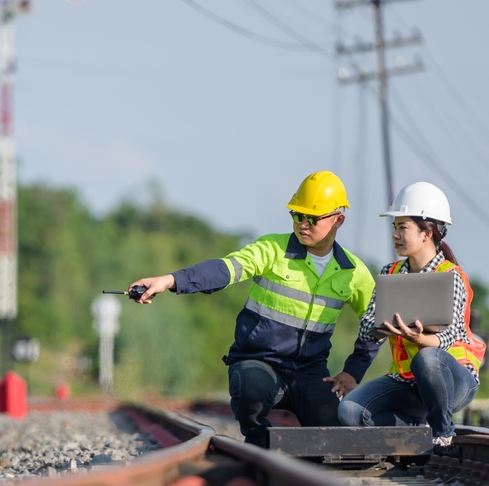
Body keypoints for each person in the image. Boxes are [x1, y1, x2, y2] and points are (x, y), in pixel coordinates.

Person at [129, 171, 381, 447]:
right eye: (297, 215)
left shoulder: (354, 272)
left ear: (338, 220)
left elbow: (376, 323)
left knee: (339, 428)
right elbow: (224, 269)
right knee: (252, 389)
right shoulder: (272, 249)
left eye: (312, 218)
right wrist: (171, 280)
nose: (303, 224)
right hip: (258, 362)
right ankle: (262, 449)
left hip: (310, 372)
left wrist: (353, 372)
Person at [337, 181, 487, 447]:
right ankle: (417, 427)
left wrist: (418, 338)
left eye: (402, 227)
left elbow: (448, 338)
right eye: (394, 227)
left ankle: (443, 432)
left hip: (452, 381)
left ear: (426, 233)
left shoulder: (450, 276)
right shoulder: (389, 273)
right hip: (407, 382)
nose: (395, 234)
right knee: (350, 412)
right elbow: (366, 327)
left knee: (427, 359)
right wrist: (382, 329)